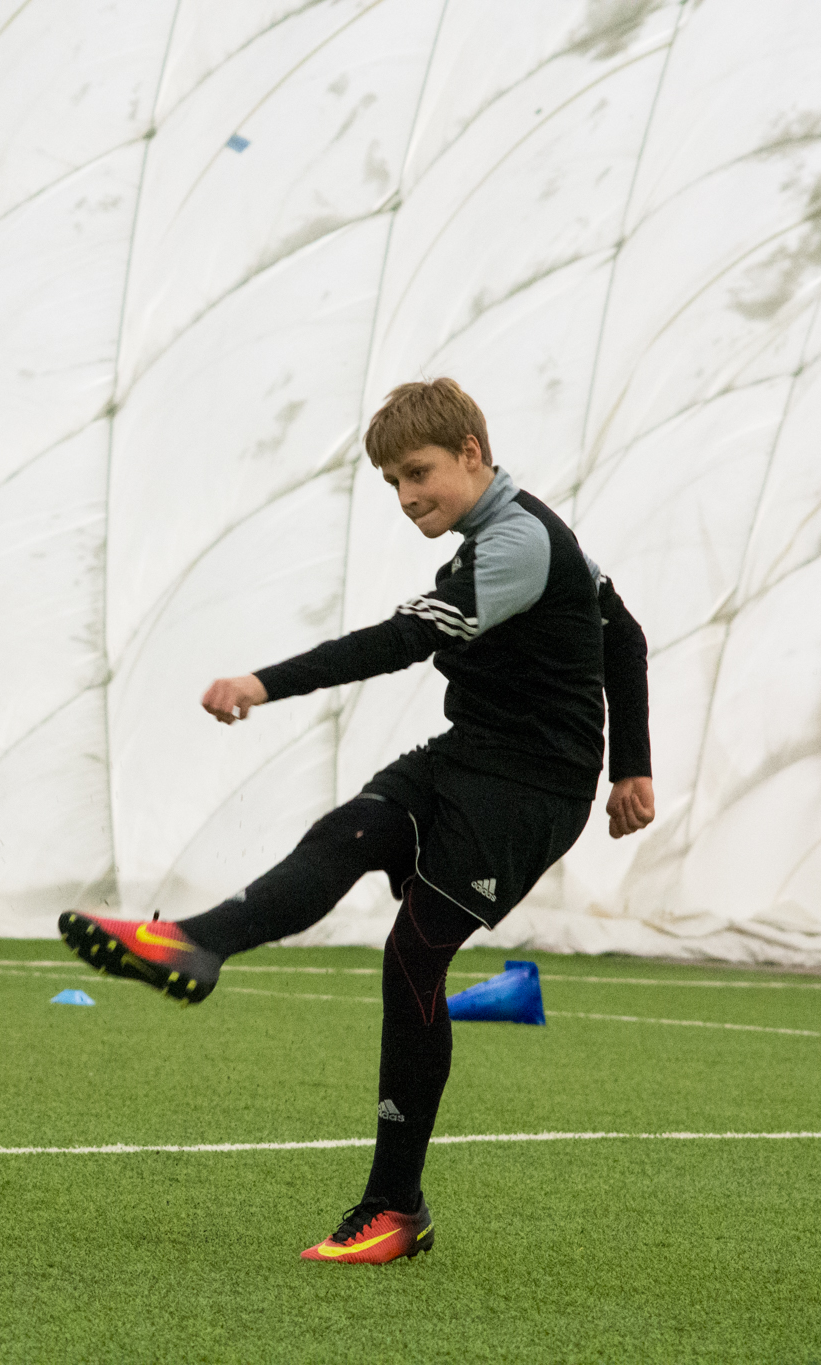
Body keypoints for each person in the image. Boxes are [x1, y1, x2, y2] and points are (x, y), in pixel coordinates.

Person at [58, 378, 654, 1264]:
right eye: (392, 482)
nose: (407, 496)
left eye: (419, 472)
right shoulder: (506, 535)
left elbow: (404, 641)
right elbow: (623, 631)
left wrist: (264, 682)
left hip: (529, 791)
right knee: (350, 831)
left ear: (472, 454)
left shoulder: (520, 542)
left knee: (413, 957)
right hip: (468, 754)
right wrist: (635, 767)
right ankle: (194, 944)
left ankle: (394, 1208)